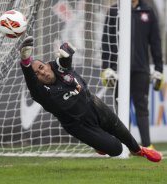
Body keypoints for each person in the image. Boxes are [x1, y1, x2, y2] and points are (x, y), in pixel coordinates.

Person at [18, 36, 161, 162]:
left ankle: (138, 151)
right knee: (116, 149)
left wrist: (67, 49)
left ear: (48, 65)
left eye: (42, 67)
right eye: (37, 73)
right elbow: (30, 80)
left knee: (124, 135)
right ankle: (98, 144)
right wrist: (25, 61)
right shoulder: (40, 93)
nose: (42, 72)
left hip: (94, 105)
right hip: (79, 126)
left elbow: (65, 58)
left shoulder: (57, 67)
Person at [101, 0, 164, 149]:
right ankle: (123, 146)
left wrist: (159, 68)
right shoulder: (114, 11)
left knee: (142, 106)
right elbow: (106, 41)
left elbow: (155, 42)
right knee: (121, 107)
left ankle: (147, 146)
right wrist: (106, 67)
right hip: (118, 70)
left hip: (141, 69)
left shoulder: (148, 12)